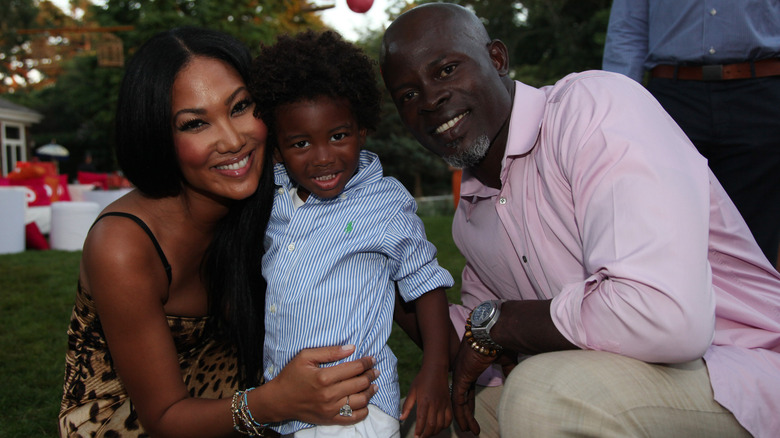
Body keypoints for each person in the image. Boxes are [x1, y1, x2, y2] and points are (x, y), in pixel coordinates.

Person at [380, 3, 780, 438]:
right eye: (408, 95)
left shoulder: (592, 109)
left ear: (497, 59)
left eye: (445, 70)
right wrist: (377, 269)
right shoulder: (472, 215)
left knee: (544, 394)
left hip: (737, 370)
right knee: (428, 424)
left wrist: (504, 323)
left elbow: (666, 319)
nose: (430, 100)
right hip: (620, 378)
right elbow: (478, 348)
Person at [58, 27, 379, 438]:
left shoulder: (279, 195)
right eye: (195, 124)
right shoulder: (123, 246)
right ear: (157, 135)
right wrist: (275, 402)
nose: (232, 140)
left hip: (246, 398)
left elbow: (376, 252)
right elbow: (163, 418)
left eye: (241, 106)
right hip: (132, 423)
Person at [249, 30, 455, 438]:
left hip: (353, 411)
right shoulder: (270, 203)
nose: (323, 156)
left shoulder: (382, 201)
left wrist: (435, 371)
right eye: (301, 143)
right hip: (285, 408)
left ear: (362, 130)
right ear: (277, 149)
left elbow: (426, 285)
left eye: (338, 136)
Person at [602, 0, 780, 267]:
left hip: (761, 94)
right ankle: (668, 305)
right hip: (672, 99)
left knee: (755, 235)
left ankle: (753, 307)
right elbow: (628, 31)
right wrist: (616, 112)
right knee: (664, 227)